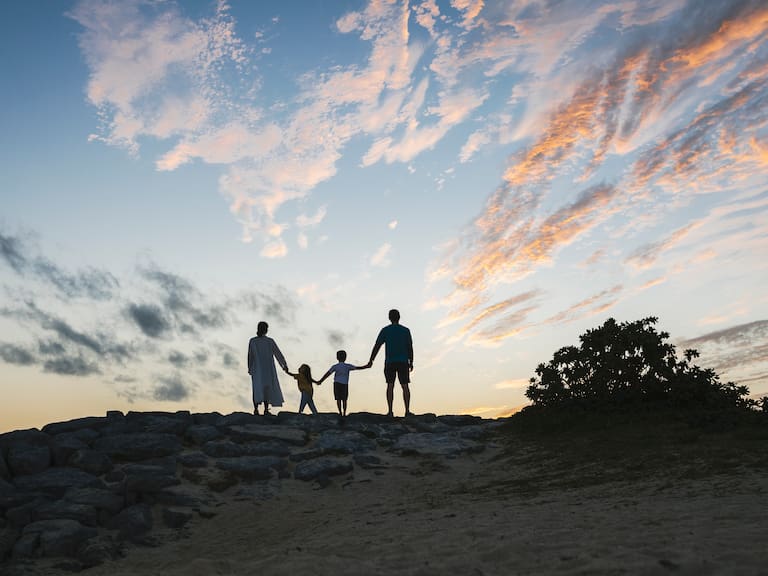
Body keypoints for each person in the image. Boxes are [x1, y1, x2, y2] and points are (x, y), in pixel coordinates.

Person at [366, 309, 413, 417]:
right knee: (405, 386)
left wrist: (371, 360)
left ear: (389, 318)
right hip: (403, 361)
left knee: (390, 385)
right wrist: (411, 361)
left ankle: (390, 411)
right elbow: (410, 347)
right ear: (399, 317)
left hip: (390, 362)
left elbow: (377, 345)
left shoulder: (385, 330)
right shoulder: (405, 330)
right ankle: (407, 411)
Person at [247, 321, 287, 415]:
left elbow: (250, 356)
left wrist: (284, 364)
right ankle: (260, 409)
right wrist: (284, 365)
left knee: (260, 388)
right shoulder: (263, 341)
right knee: (264, 388)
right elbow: (250, 355)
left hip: (261, 369)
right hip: (262, 369)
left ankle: (260, 409)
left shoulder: (260, 341)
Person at [318, 350, 368, 421]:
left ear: (337, 358)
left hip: (337, 383)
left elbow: (327, 374)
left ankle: (340, 412)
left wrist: (320, 381)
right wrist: (366, 366)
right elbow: (358, 368)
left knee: (338, 399)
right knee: (344, 399)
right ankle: (344, 412)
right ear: (345, 357)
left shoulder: (335, 366)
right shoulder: (347, 366)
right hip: (344, 384)